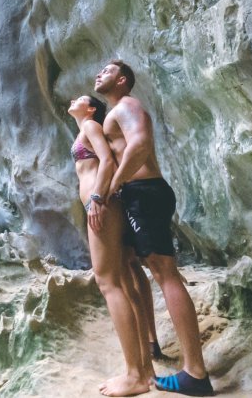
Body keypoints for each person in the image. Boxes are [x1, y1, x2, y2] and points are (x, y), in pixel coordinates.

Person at [96, 60, 215, 397]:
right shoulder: (117, 110)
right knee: (132, 264)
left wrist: (117, 184)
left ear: (122, 81)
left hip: (144, 193)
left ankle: (195, 373)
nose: (98, 74)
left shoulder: (128, 105)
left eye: (106, 71)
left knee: (165, 273)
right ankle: (150, 345)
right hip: (141, 195)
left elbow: (141, 143)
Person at [67, 95, 159, 397]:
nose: (73, 99)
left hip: (103, 205)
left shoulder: (90, 126)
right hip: (106, 204)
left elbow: (107, 160)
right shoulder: (87, 128)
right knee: (121, 279)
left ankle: (135, 374)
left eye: (80, 99)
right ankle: (145, 370)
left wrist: (95, 198)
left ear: (91, 108)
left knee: (108, 282)